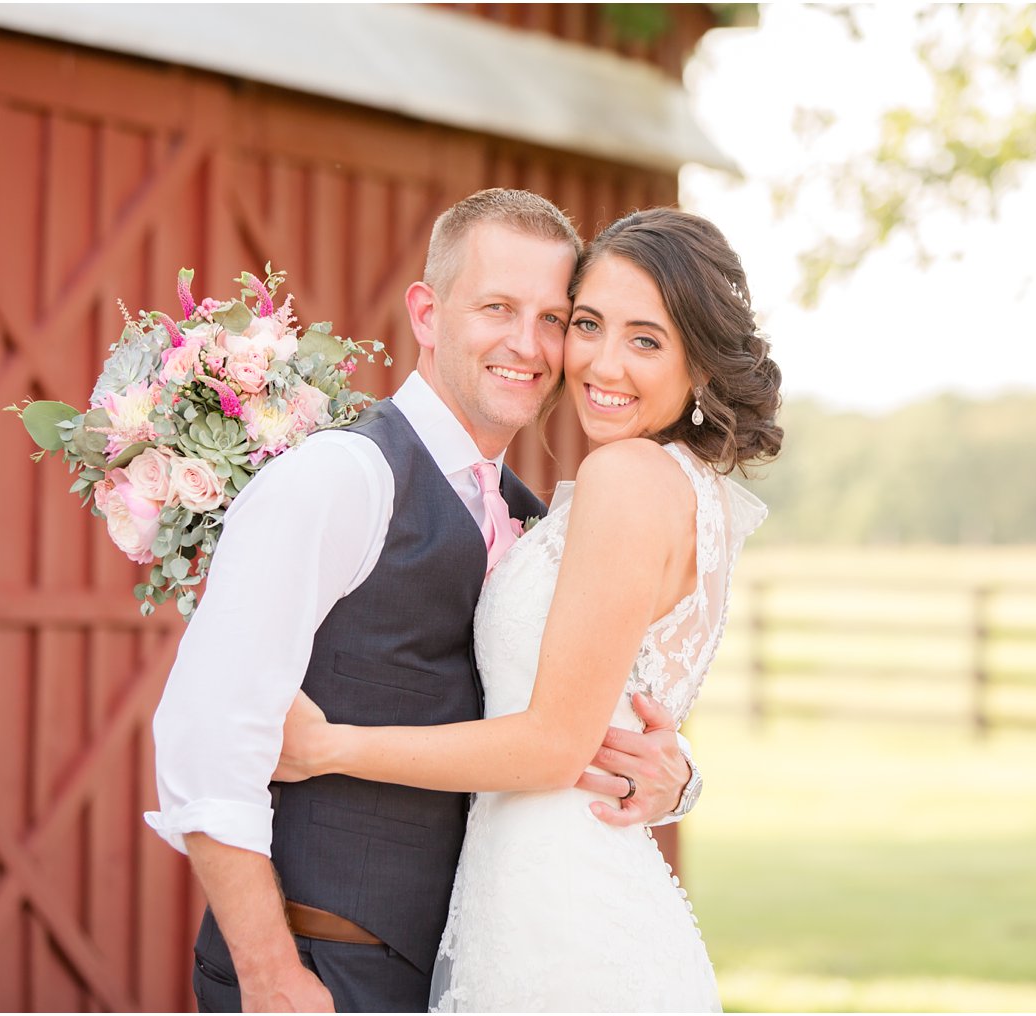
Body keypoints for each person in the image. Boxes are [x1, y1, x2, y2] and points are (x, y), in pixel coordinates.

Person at [145, 189, 702, 1014]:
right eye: (497, 308)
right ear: (428, 313)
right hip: (324, 964)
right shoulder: (342, 477)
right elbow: (206, 734)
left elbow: (559, 719)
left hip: (469, 967)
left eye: (555, 317)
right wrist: (268, 972)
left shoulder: (536, 521)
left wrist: (674, 778)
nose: (529, 344)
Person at [276, 207, 782, 1011]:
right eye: (586, 325)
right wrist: (676, 779)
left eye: (645, 340)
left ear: (703, 366)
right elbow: (616, 704)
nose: (601, 363)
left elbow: (554, 745)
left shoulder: (626, 479)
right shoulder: (691, 495)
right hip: (554, 885)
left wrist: (327, 747)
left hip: (560, 914)